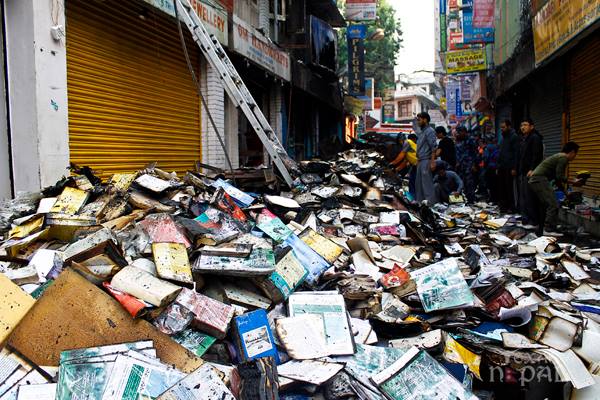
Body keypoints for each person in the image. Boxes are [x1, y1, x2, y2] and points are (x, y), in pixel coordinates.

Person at [528, 142, 583, 235]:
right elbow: (560, 176)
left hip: (535, 180)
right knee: (553, 204)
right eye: (576, 154)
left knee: (547, 204)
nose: (575, 156)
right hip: (539, 179)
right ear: (572, 152)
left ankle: (545, 227)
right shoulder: (563, 158)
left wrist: (566, 193)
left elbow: (557, 181)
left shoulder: (559, 156)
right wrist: (574, 181)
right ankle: (548, 229)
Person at [517, 118, 544, 225]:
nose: (523, 127)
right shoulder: (525, 139)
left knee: (530, 197)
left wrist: (532, 169)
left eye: (525, 125)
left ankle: (533, 220)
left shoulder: (535, 138)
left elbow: (536, 155)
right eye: (521, 125)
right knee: (524, 196)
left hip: (531, 172)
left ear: (531, 126)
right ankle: (526, 218)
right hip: (524, 171)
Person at [497, 120, 519, 212]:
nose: (502, 129)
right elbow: (501, 153)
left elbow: (516, 153)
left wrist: (514, 167)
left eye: (503, 127)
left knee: (509, 188)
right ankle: (504, 207)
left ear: (509, 127)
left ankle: (512, 207)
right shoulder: (503, 138)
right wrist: (498, 166)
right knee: (502, 188)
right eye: (501, 127)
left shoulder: (514, 137)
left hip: (510, 167)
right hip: (502, 167)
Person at [414, 112, 437, 203]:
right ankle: (421, 206)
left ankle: (431, 205)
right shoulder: (422, 132)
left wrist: (432, 162)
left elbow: (433, 147)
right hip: (420, 161)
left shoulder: (430, 131)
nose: (418, 122)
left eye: (419, 120)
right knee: (419, 185)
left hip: (426, 161)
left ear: (425, 120)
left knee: (427, 185)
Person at [454, 126, 478, 203]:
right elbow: (457, 152)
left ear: (464, 132)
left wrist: (474, 164)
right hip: (461, 165)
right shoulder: (458, 140)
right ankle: (464, 199)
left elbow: (475, 152)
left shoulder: (470, 139)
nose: (458, 134)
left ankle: (471, 200)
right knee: (462, 182)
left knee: (469, 183)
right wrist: (457, 162)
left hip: (469, 164)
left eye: (459, 132)